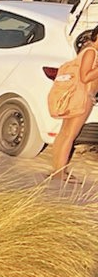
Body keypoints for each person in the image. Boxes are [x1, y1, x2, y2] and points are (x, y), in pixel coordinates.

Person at [48, 23, 98, 181]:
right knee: (69, 135)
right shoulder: (91, 52)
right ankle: (60, 173)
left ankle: (57, 170)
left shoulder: (90, 50)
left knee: (65, 134)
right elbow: (85, 76)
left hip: (80, 95)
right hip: (82, 96)